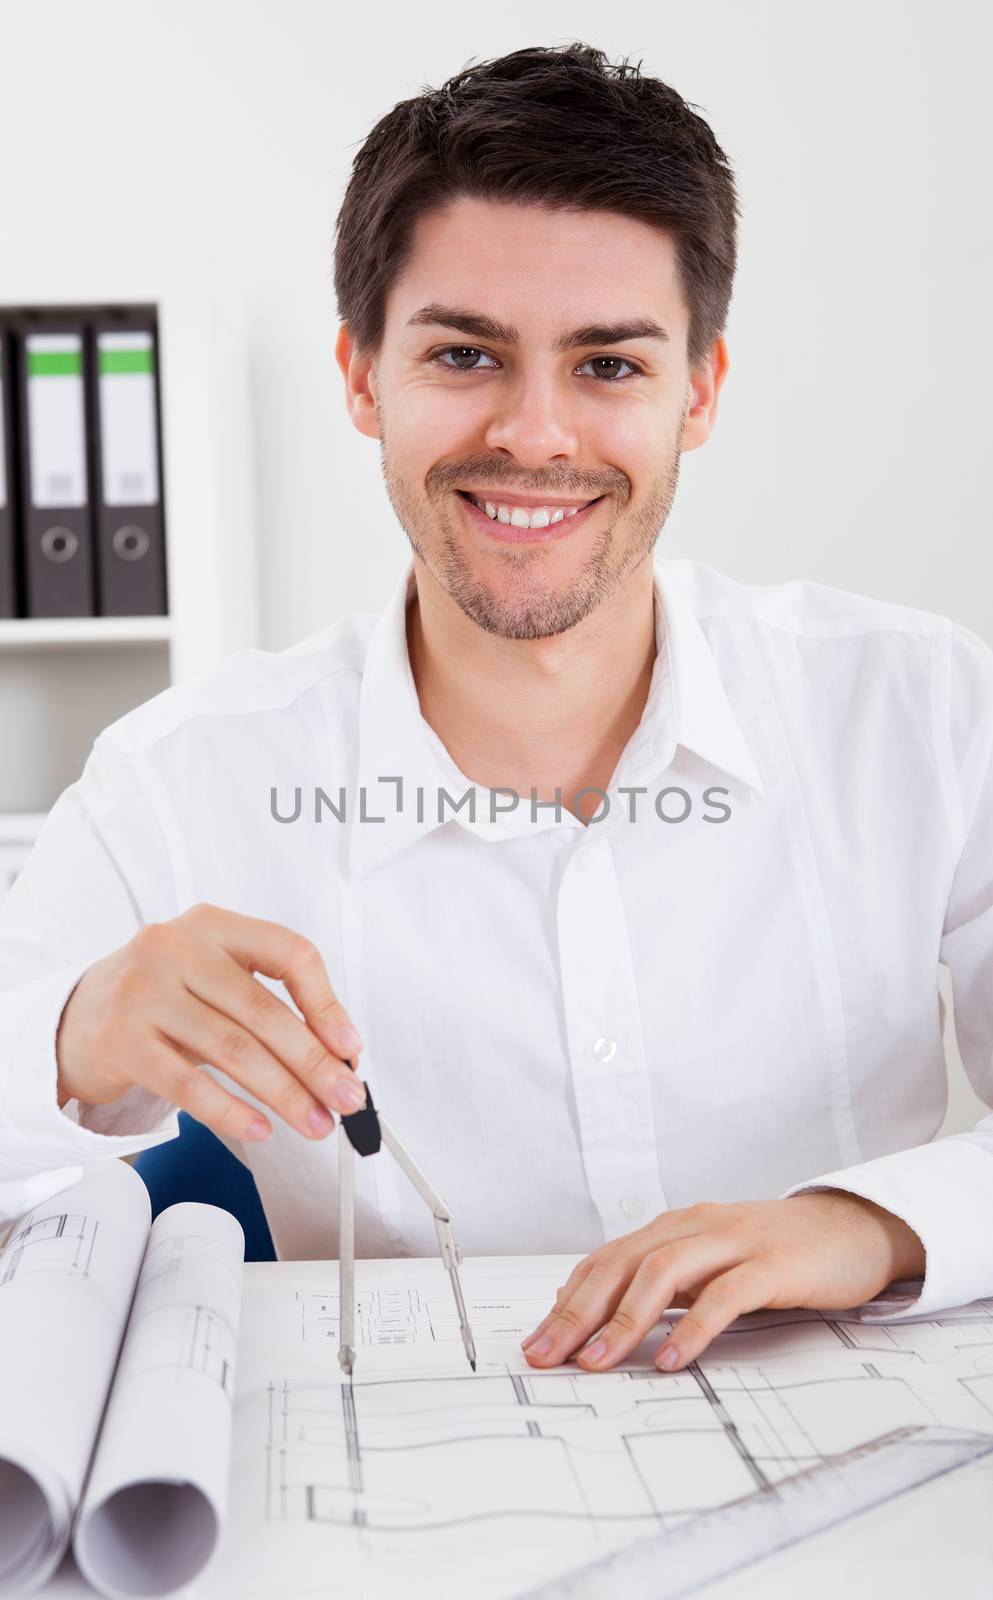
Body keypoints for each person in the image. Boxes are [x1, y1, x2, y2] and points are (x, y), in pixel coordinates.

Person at [2, 42, 991, 1377]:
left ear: (696, 391)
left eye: (608, 366)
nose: (534, 434)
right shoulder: (180, 782)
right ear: (362, 377)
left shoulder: (918, 709)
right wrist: (71, 1039)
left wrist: (868, 1223)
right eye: (466, 354)